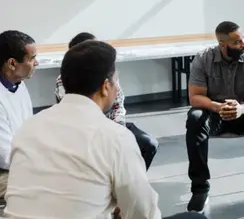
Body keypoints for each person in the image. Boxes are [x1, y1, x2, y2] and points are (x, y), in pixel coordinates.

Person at [5, 40, 207, 219]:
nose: (117, 88)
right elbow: (144, 214)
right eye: (115, 80)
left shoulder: (29, 128)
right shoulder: (116, 138)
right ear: (105, 86)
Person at [185, 21, 244, 214]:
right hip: (213, 114)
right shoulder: (203, 59)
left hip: (243, 112)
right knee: (195, 118)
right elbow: (194, 97)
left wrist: (242, 109)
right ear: (222, 44)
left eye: (243, 38)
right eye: (237, 42)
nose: (243, 44)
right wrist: (217, 107)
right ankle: (200, 190)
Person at [54, 32, 158, 170]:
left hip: (113, 124)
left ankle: (131, 180)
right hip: (83, 133)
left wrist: (117, 132)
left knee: (148, 144)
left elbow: (118, 106)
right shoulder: (63, 81)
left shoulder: (109, 74)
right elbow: (76, 115)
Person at [0, 30, 38, 198]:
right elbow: (5, 156)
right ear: (12, 64)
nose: (36, 63)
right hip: (5, 170)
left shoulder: (19, 85)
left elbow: (29, 130)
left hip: (20, 161)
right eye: (32, 58)